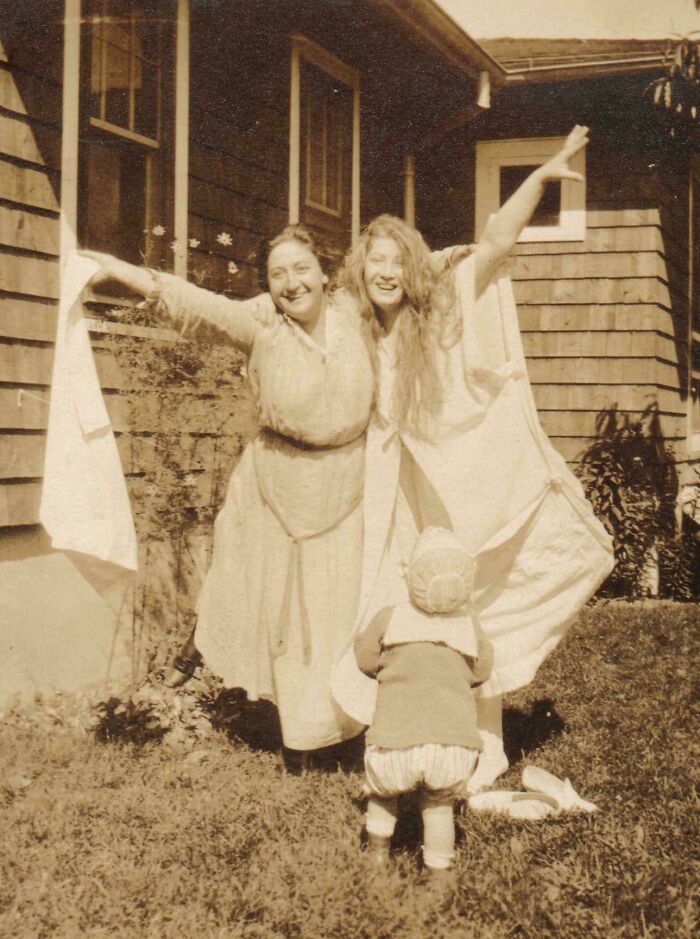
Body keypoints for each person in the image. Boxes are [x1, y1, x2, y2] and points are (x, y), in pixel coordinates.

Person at [331, 126, 615, 793]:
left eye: (396, 259)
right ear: (360, 268)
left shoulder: (446, 303)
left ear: (413, 265)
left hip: (465, 480)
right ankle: (407, 729)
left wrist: (540, 179)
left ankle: (479, 739)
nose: (385, 271)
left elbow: (494, 245)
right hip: (400, 489)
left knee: (475, 597)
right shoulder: (358, 323)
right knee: (403, 601)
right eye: (374, 260)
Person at [81, 225, 375, 767]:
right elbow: (200, 306)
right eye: (278, 274)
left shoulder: (357, 318)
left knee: (343, 610)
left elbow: (410, 280)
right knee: (290, 615)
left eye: (301, 269)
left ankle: (351, 727)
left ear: (325, 273)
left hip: (352, 484)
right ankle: (304, 742)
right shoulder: (261, 327)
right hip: (278, 489)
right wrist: (123, 272)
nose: (292, 283)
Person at [354, 527, 493, 877]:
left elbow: (365, 659)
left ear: (413, 576)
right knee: (438, 806)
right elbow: (482, 672)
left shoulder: (390, 616)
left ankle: (377, 855)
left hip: (394, 743)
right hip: (452, 747)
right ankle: (438, 877)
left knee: (383, 796)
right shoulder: (469, 624)